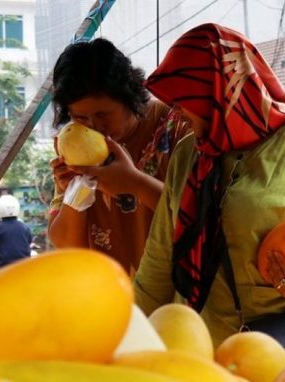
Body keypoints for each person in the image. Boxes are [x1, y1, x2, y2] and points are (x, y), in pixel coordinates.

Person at [133, 23, 285, 346]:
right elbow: (161, 255)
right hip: (204, 343)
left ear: (216, 91)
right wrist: (131, 332)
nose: (176, 112)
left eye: (183, 98)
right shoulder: (189, 153)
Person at [48, 37, 190, 275]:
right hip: (111, 300)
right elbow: (67, 245)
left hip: (175, 299)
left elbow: (204, 220)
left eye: (103, 114)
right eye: (81, 118)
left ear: (130, 97)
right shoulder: (72, 145)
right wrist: (76, 192)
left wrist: (135, 183)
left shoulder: (179, 126)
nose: (94, 127)